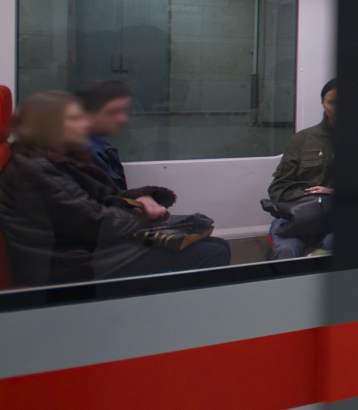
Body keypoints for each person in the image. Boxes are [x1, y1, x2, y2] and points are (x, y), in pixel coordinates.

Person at [0, 91, 230, 286]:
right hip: (70, 266)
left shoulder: (54, 160)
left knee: (215, 245)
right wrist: (143, 212)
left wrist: (143, 198)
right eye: (74, 119)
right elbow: (94, 221)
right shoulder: (36, 169)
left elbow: (101, 200)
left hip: (83, 252)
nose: (85, 124)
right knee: (213, 252)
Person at [267, 79, 335, 259]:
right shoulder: (302, 140)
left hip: (337, 217)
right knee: (286, 249)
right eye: (332, 102)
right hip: (298, 214)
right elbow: (277, 189)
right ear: (323, 104)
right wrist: (311, 197)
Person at [76, 79, 133, 189]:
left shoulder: (96, 147)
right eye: (112, 112)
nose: (122, 119)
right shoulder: (87, 153)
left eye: (124, 111)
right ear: (86, 113)